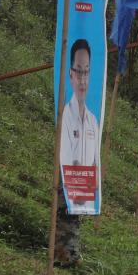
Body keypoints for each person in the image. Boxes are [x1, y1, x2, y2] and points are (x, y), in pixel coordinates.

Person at [58, 37, 100, 174]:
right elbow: (67, 169)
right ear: (71, 75)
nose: (82, 80)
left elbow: (96, 174)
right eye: (79, 72)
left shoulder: (93, 121)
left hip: (88, 188)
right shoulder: (64, 117)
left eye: (86, 72)